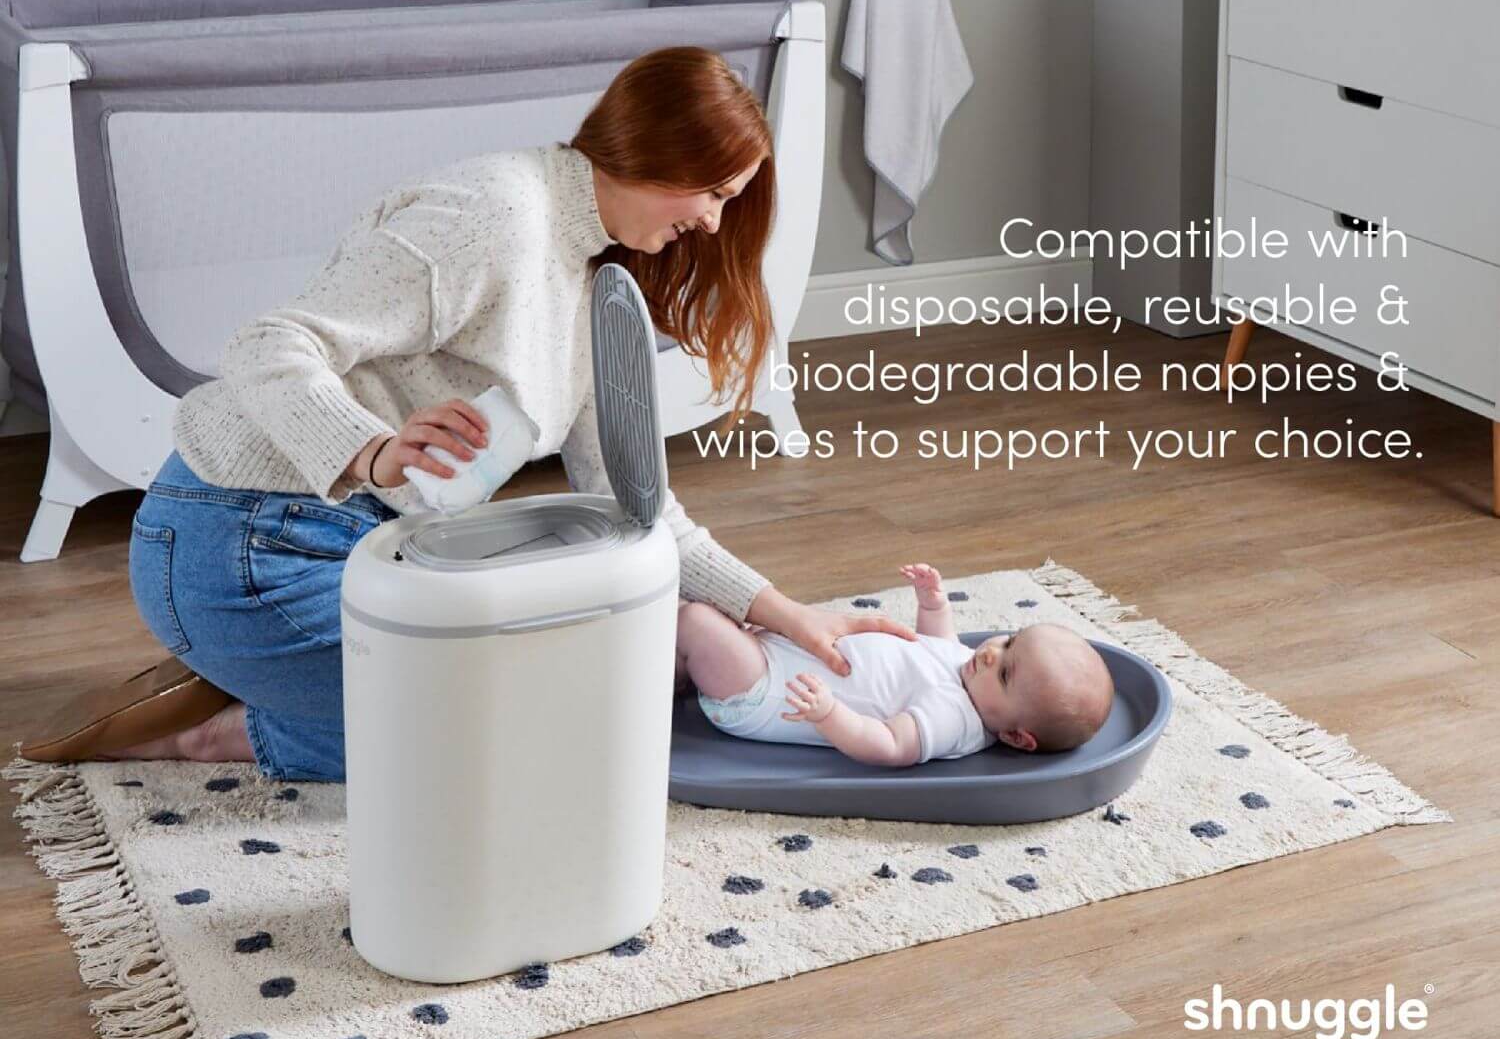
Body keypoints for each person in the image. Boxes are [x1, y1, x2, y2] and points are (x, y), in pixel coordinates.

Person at [21, 46, 915, 777]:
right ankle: (198, 730)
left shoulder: (599, 284)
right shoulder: (490, 217)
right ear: (662, 149)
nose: (719, 228)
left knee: (582, 682)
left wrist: (789, 613)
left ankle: (264, 677)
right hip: (242, 544)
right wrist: (372, 452)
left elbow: (641, 509)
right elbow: (267, 347)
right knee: (520, 736)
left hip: (372, 552)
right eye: (717, 194)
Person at [677, 562, 1114, 764]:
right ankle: (676, 670)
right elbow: (937, 644)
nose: (990, 653)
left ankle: (659, 675)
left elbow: (889, 746)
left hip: (761, 690)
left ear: (1017, 736)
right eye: (1010, 642)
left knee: (695, 621)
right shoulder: (971, 673)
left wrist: (830, 714)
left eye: (1005, 672)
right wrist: (934, 605)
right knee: (710, 604)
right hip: (779, 648)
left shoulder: (956, 720)